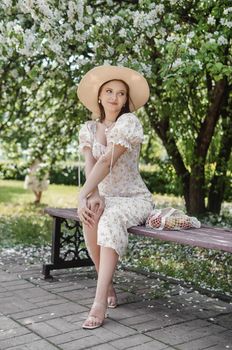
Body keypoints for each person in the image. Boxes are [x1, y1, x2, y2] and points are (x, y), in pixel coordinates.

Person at [77, 65, 154, 329]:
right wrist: (90, 196)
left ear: (125, 100)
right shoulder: (88, 128)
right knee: (91, 213)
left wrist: (81, 194)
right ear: (99, 96)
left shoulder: (128, 123)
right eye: (109, 91)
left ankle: (98, 303)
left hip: (133, 197)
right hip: (105, 195)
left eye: (121, 93)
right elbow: (90, 164)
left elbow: (106, 162)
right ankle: (107, 282)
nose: (114, 97)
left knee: (108, 218)